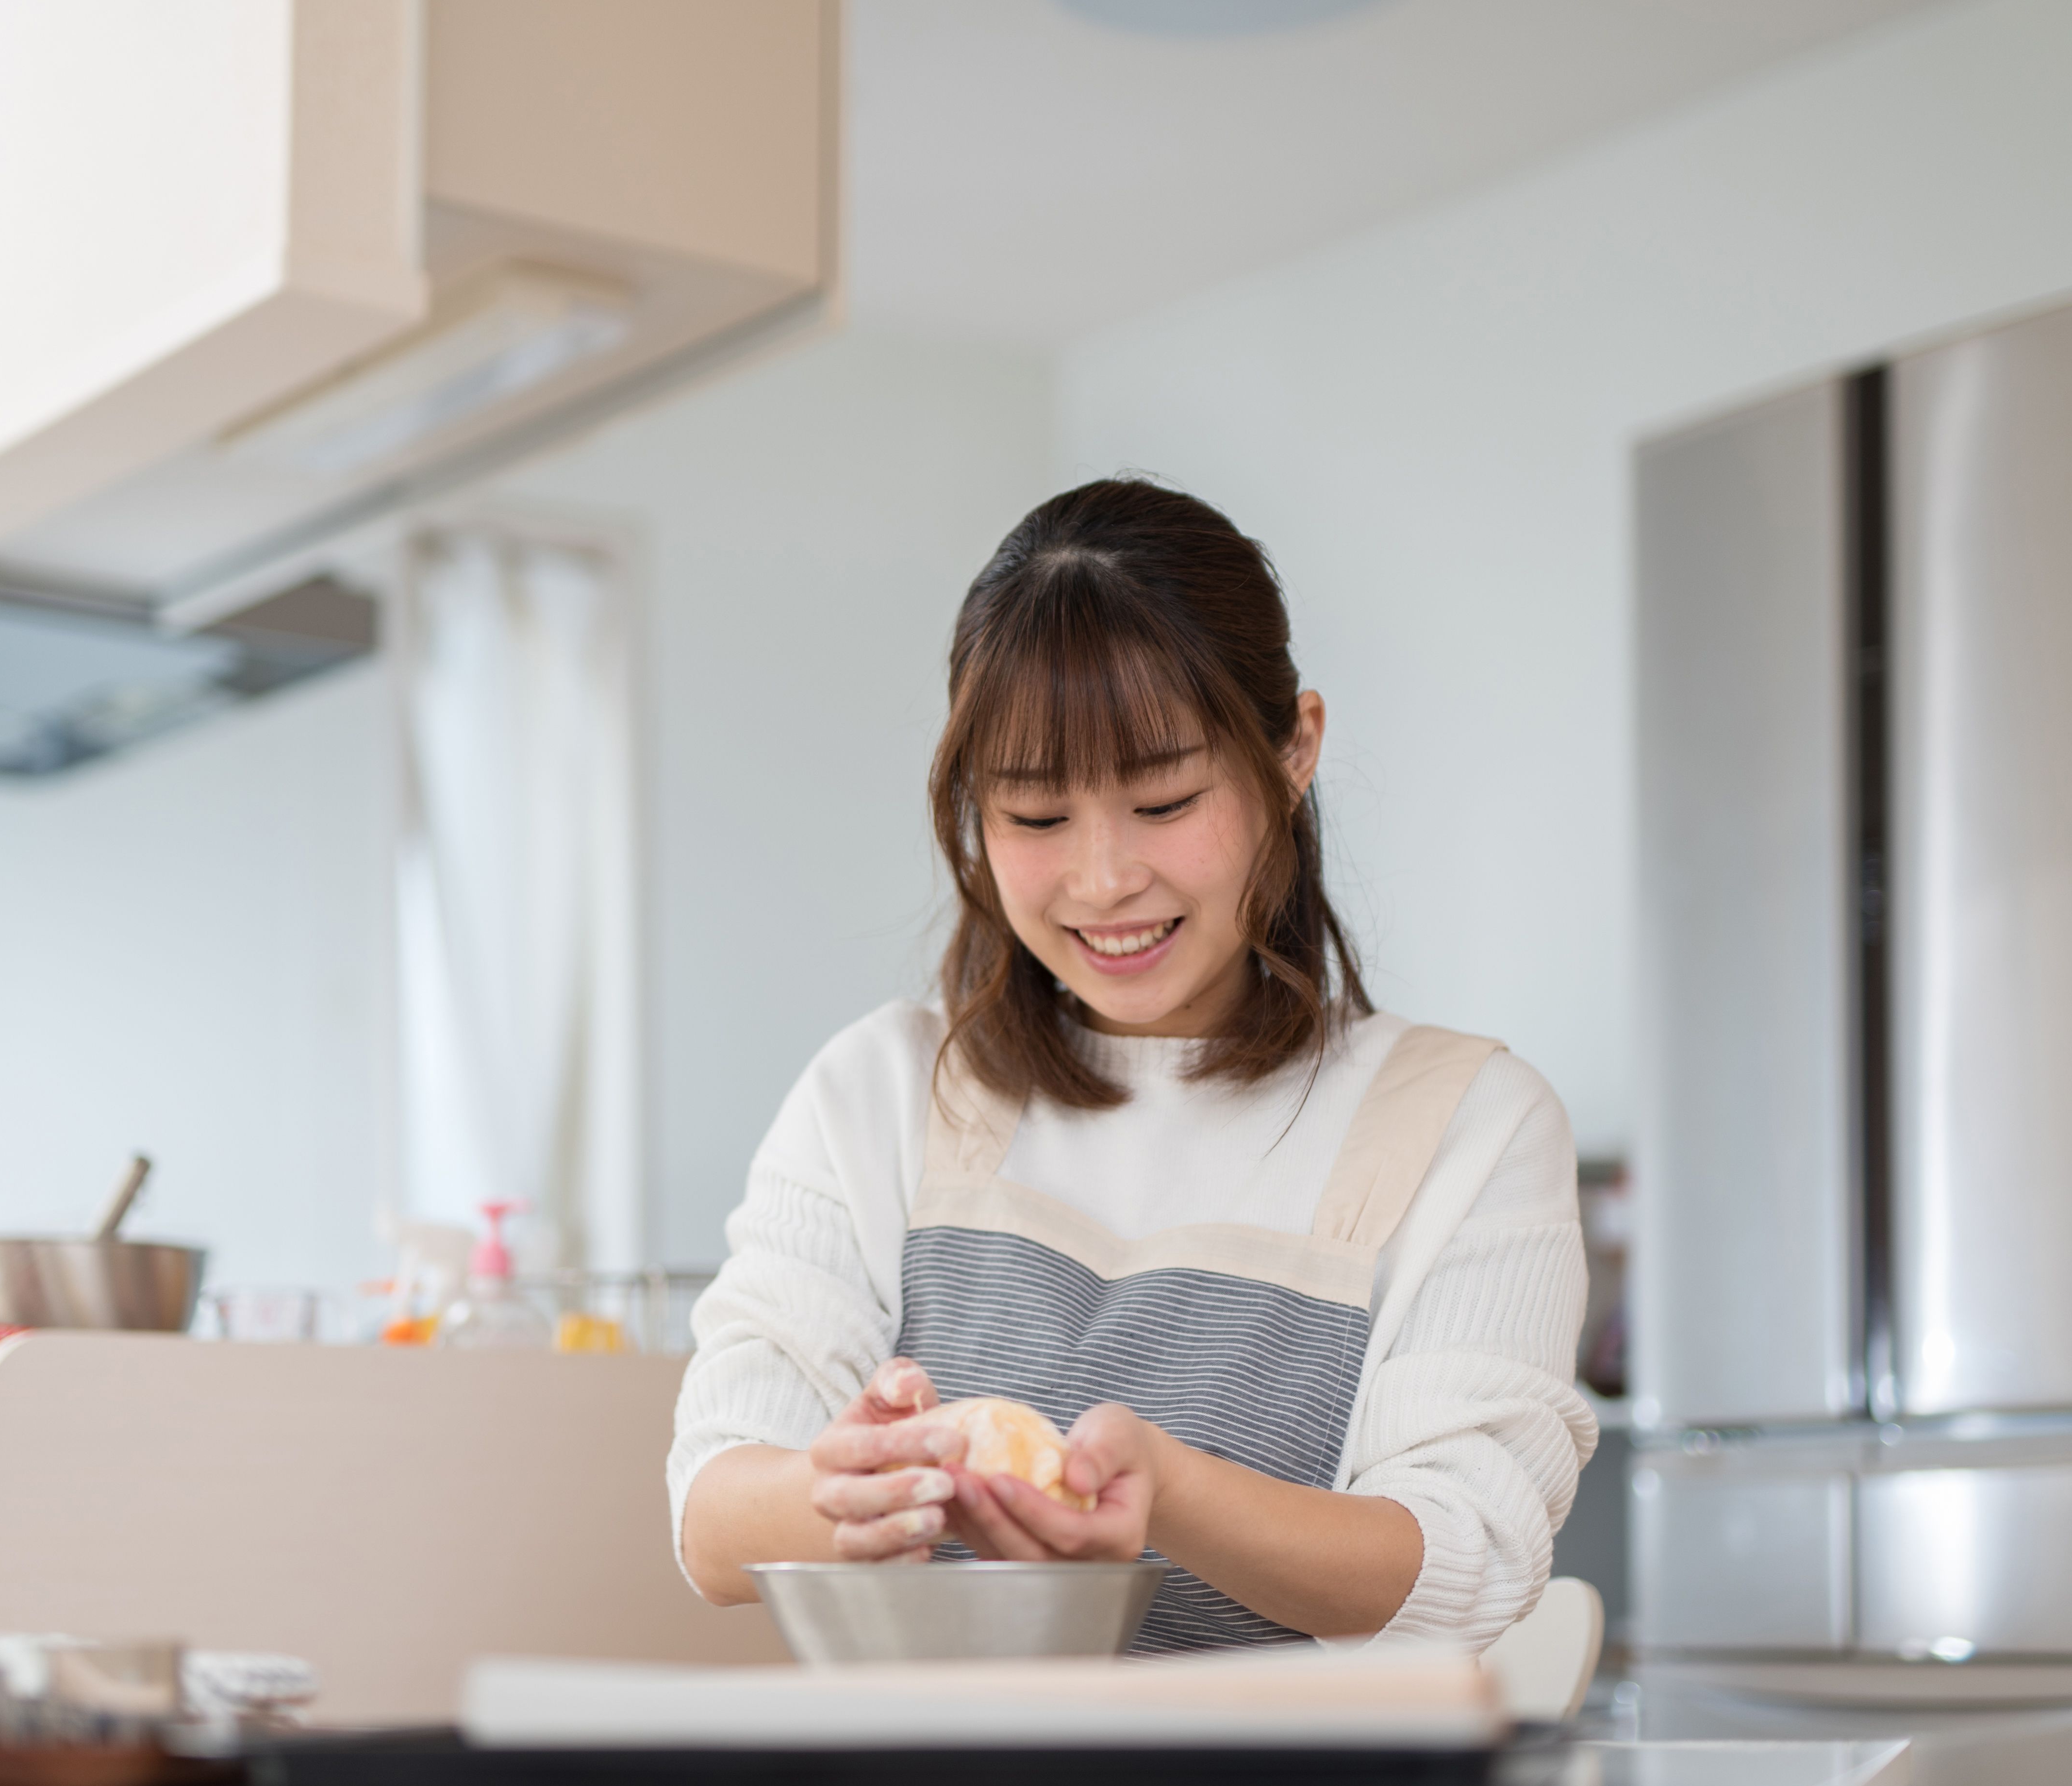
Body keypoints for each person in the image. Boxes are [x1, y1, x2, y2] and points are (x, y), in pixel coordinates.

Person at [669, 478, 1594, 1651]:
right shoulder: (881, 1093)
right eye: (1035, 818)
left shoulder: (1464, 1123)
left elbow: (1469, 1561)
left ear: (1293, 749)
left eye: (1163, 800)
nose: (1103, 880)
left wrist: (1167, 1490)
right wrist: (863, 1484)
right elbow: (709, 1515)